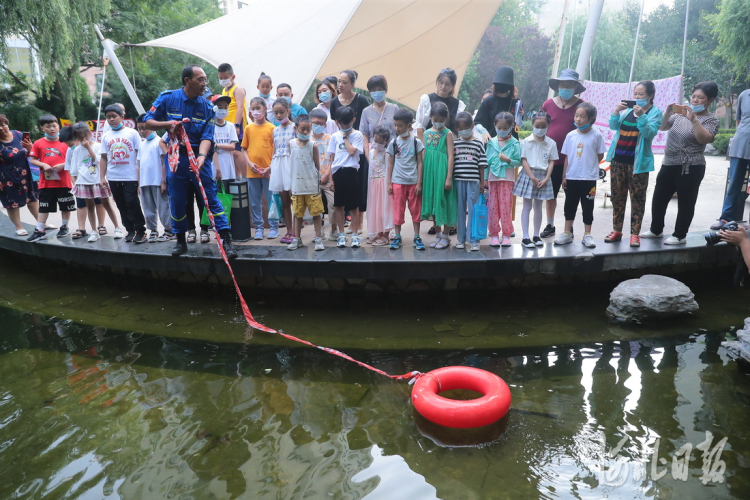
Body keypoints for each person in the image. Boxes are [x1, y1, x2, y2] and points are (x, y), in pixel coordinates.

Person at [143, 64, 238, 258]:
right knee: (177, 200)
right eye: (201, 79)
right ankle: (180, 241)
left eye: (205, 79)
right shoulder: (168, 98)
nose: (205, 83)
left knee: (211, 199)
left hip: (199, 158)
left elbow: (207, 136)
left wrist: (202, 157)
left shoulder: (207, 107)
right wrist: (168, 124)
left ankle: (227, 241)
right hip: (177, 158)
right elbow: (147, 121)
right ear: (188, 81)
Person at [642, 81, 720, 245]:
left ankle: (680, 235)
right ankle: (656, 230)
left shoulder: (711, 119)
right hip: (669, 162)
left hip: (691, 166)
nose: (695, 100)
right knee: (659, 198)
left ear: (710, 100)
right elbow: (662, 127)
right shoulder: (678, 115)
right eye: (693, 96)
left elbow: (703, 139)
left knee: (686, 202)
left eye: (700, 98)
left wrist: (694, 120)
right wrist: (668, 112)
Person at [604, 80, 663, 247]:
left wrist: (641, 116)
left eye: (641, 94)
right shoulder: (627, 110)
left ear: (650, 96)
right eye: (635, 94)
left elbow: (649, 133)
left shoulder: (655, 112)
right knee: (617, 198)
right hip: (617, 161)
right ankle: (617, 230)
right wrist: (616, 111)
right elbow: (613, 126)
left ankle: (635, 234)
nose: (637, 97)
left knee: (637, 199)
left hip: (638, 164)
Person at [540, 69, 586, 238]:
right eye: (562, 85)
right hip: (551, 159)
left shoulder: (582, 106)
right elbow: (540, 126)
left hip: (573, 160)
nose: (565, 88)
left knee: (571, 195)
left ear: (575, 87)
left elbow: (587, 130)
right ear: (557, 86)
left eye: (569, 85)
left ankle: (569, 227)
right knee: (550, 194)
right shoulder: (548, 104)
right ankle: (550, 225)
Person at [554, 103, 606, 248]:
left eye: (582, 116)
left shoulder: (596, 135)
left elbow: (599, 155)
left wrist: (589, 167)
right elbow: (567, 157)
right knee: (569, 205)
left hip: (588, 179)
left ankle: (587, 234)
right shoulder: (570, 135)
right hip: (572, 177)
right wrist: (564, 176)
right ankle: (567, 233)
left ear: (591, 118)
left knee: (587, 206)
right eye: (576, 115)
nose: (578, 119)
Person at [67, 122, 121, 243]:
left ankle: (117, 228)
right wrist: (76, 182)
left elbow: (98, 161)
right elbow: (74, 169)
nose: (83, 139)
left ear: (90, 134)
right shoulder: (76, 150)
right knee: (89, 206)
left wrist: (89, 148)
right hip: (84, 182)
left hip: (97, 180)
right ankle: (94, 231)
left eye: (85, 136)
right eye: (80, 137)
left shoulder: (98, 146)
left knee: (106, 204)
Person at [100, 104, 147, 244]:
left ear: (122, 117)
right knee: (121, 204)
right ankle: (130, 230)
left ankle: (141, 231)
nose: (111, 120)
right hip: (113, 176)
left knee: (132, 203)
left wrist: (139, 178)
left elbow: (139, 155)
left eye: (114, 116)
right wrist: (102, 177)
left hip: (130, 176)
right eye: (108, 117)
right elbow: (103, 157)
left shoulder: (132, 133)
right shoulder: (106, 136)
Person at [330, 70, 371, 225]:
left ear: (353, 85)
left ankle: (358, 223)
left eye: (344, 82)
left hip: (358, 145)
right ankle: (346, 223)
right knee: (342, 190)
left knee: (358, 185)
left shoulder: (361, 100)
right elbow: (336, 124)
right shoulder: (334, 102)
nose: (340, 85)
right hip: (342, 147)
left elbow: (366, 122)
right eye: (339, 81)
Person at [26, 114, 76, 242]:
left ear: (58, 126)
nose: (52, 129)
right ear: (42, 128)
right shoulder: (38, 143)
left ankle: (64, 227)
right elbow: (32, 160)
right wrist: (43, 164)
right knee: (44, 206)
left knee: (66, 206)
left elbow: (75, 159)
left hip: (64, 181)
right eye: (48, 126)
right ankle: (40, 230)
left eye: (54, 126)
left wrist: (64, 165)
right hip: (46, 183)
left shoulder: (65, 142)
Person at [514, 112, 558, 249]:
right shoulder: (526, 141)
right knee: (527, 206)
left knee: (538, 206)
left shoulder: (551, 143)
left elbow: (551, 162)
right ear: (532, 125)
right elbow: (524, 160)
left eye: (544, 126)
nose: (540, 128)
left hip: (543, 176)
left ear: (548, 126)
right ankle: (525, 237)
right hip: (529, 175)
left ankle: (536, 235)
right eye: (537, 125)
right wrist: (532, 177)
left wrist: (546, 178)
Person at [387, 108, 425, 250]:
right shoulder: (393, 143)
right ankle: (397, 237)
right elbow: (390, 163)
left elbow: (420, 162)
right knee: (398, 210)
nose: (397, 128)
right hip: (398, 182)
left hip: (413, 182)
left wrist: (419, 182)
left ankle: (417, 236)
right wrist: (389, 183)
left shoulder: (416, 142)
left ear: (409, 126)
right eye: (395, 125)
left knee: (416, 211)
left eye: (400, 125)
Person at [713, 87, 750, 229]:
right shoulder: (744, 95)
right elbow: (739, 121)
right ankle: (725, 219)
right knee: (734, 183)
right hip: (741, 143)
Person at [327, 105, 364, 248]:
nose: (345, 126)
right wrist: (331, 178)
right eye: (342, 123)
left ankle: (354, 234)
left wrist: (345, 137)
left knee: (354, 205)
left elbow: (352, 152)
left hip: (351, 171)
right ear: (337, 122)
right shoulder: (334, 136)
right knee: (339, 205)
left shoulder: (357, 135)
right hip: (338, 172)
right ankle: (341, 234)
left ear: (353, 120)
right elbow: (332, 158)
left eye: (347, 123)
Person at [421, 101, 456, 249]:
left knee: (444, 201)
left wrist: (448, 177)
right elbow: (423, 154)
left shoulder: (448, 133)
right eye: (435, 120)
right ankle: (438, 234)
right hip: (430, 173)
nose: (438, 123)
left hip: (442, 171)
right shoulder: (426, 133)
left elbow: (450, 156)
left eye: (442, 120)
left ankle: (446, 236)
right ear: (430, 117)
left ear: (446, 119)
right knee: (433, 201)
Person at [242, 97, 278, 240]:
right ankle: (258, 228)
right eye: (253, 108)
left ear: (264, 109)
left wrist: (270, 167)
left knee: (272, 200)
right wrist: (250, 164)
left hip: (269, 172)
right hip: (252, 172)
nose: (256, 111)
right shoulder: (248, 128)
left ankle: (274, 227)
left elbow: (275, 151)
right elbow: (244, 149)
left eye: (258, 108)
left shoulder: (272, 128)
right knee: (255, 201)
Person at [287, 114, 324, 251]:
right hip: (297, 186)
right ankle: (297, 238)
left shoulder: (313, 145)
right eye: (302, 129)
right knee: (297, 214)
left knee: (316, 213)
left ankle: (318, 238)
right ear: (296, 128)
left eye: (308, 129)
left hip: (312, 186)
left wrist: (317, 181)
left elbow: (316, 165)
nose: (305, 132)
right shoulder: (290, 144)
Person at [485, 112, 521, 247]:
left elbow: (519, 162)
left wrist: (509, 160)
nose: (501, 130)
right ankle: (494, 234)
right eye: (499, 127)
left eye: (505, 127)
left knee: (506, 206)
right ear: (495, 126)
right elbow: (487, 163)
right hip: (493, 180)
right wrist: (484, 180)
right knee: (492, 207)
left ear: (511, 126)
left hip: (507, 179)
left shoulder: (515, 143)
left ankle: (506, 235)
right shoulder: (491, 143)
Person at [452, 112, 486, 251]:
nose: (463, 131)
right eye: (460, 129)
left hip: (473, 181)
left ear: (472, 126)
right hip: (458, 181)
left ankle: (473, 239)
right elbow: (452, 162)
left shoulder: (478, 143)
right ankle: (460, 239)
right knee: (460, 210)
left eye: (465, 127)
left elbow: (481, 165)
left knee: (473, 210)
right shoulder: (455, 143)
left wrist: (482, 182)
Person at [0, 113, 39, 236]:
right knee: (12, 203)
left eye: (3, 125)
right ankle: (18, 226)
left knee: (33, 200)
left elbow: (32, 152)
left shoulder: (18, 134)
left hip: (27, 174)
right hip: (7, 177)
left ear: (7, 124)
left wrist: (30, 147)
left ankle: (41, 224)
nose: (1, 128)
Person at [136, 115, 172, 242]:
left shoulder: (159, 142)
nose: (141, 131)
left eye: (144, 128)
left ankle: (169, 230)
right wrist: (139, 184)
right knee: (148, 209)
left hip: (157, 181)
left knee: (163, 207)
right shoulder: (141, 144)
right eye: (139, 129)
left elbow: (164, 163)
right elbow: (139, 165)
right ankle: (153, 230)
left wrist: (163, 182)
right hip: (145, 182)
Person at [268, 98, 296, 244]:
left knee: (295, 200)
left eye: (281, 112)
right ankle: (289, 231)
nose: (278, 115)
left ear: (288, 111)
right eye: (276, 113)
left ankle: (296, 232)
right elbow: (274, 151)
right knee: (284, 201)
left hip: (291, 165)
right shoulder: (275, 130)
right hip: (279, 166)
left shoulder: (295, 128)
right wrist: (270, 167)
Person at [415, 68, 469, 143]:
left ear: (452, 86)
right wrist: (424, 147)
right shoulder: (427, 100)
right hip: (428, 144)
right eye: (441, 83)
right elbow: (420, 127)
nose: (443, 86)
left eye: (447, 84)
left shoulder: (458, 104)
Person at [310, 108, 338, 239]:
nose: (318, 126)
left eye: (321, 124)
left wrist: (327, 175)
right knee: (316, 207)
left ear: (325, 125)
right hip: (312, 179)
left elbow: (333, 159)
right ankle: (319, 231)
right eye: (315, 123)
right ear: (310, 122)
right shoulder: (308, 140)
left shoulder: (330, 138)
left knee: (333, 204)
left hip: (328, 178)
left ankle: (334, 229)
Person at [217, 63, 247, 179]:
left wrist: (237, 125)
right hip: (227, 127)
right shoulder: (224, 91)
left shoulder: (238, 89)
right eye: (220, 78)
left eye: (225, 78)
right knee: (231, 153)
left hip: (236, 126)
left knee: (236, 151)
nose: (223, 80)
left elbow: (240, 107)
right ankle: (237, 178)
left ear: (232, 77)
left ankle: (246, 178)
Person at [475, 66, 519, 139]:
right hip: (492, 143)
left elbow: (518, 125)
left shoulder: (516, 102)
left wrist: (520, 116)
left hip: (511, 144)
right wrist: (484, 131)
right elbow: (478, 122)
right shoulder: (488, 101)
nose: (502, 86)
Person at [360, 75, 399, 158]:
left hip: (392, 153)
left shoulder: (394, 108)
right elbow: (364, 135)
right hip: (374, 154)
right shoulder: (366, 111)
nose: (377, 92)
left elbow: (399, 131)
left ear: (385, 90)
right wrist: (368, 155)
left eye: (379, 89)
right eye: (374, 90)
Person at [367, 125, 393, 246]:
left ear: (386, 141)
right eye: (375, 140)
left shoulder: (386, 154)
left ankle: (386, 235)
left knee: (384, 210)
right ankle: (379, 232)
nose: (376, 143)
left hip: (383, 186)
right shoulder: (371, 152)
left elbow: (388, 171)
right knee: (376, 210)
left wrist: (388, 185)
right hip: (373, 185)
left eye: (380, 141)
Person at [211, 94, 239, 191]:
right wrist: (218, 169)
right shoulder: (210, 126)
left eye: (225, 107)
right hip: (215, 170)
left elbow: (232, 147)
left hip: (229, 170)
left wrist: (217, 145)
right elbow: (212, 149)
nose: (223, 109)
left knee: (229, 201)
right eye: (219, 107)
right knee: (218, 199)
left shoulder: (230, 126)